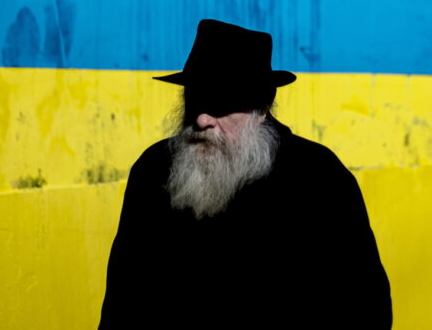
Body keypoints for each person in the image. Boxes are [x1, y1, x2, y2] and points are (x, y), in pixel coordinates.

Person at [99, 19, 392, 329]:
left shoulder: (318, 178)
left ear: (261, 109)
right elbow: (124, 298)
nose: (201, 119)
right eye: (195, 100)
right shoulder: (155, 169)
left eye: (221, 104)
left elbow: (365, 306)